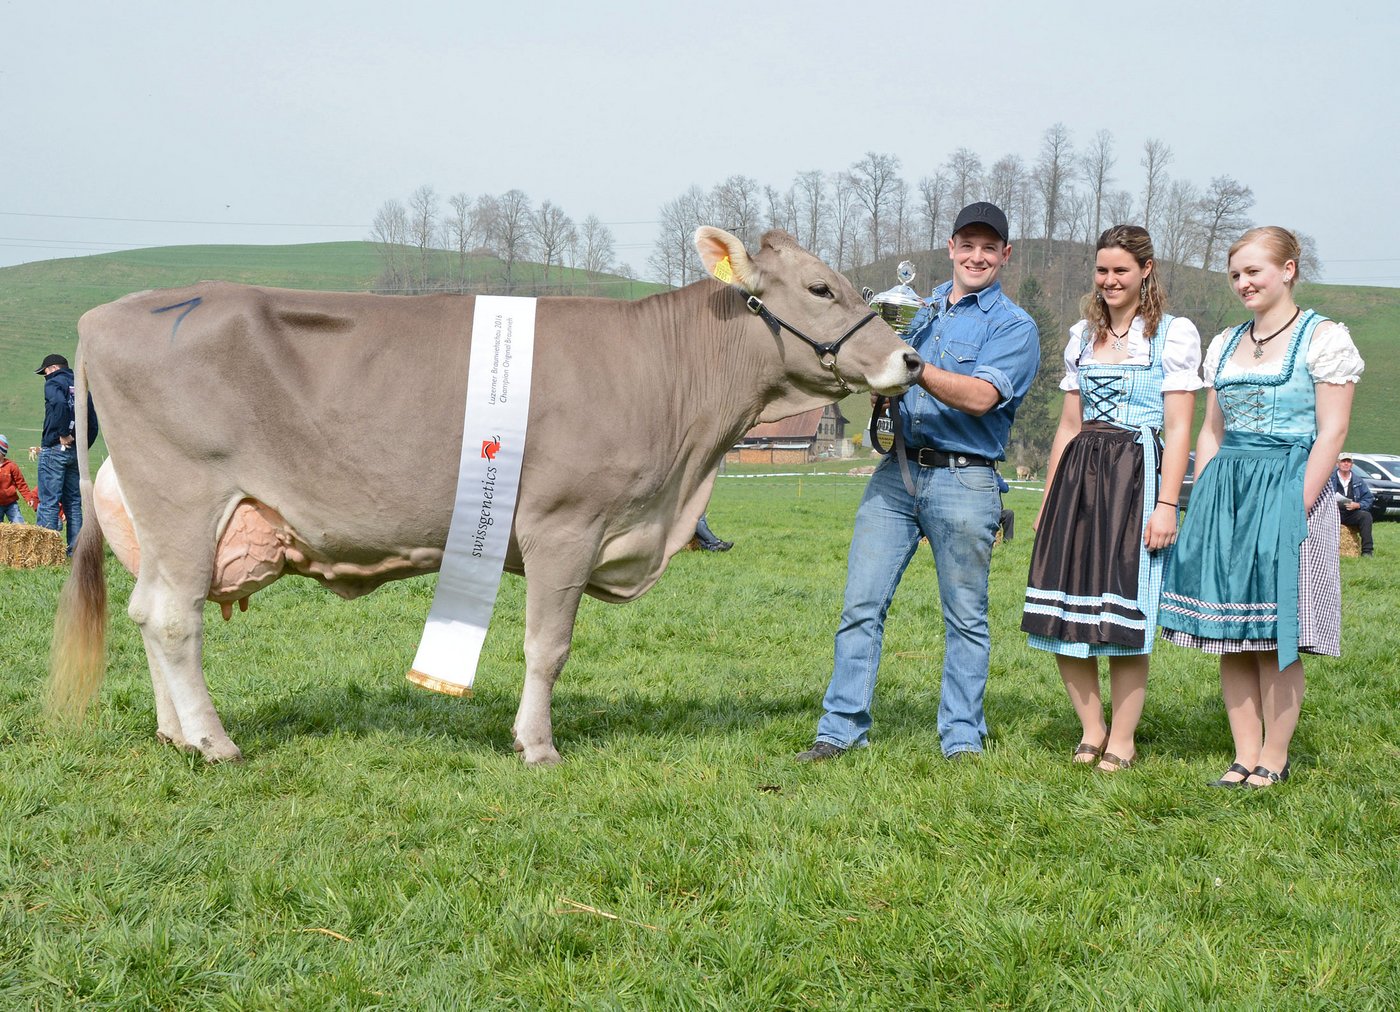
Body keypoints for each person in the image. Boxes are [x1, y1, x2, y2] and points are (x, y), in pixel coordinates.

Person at [796, 202, 1040, 762]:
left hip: (965, 478)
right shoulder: (920, 310)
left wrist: (914, 367)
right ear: (951, 248)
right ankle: (838, 732)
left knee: (966, 618)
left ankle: (961, 739)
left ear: (1004, 255)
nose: (976, 255)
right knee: (861, 604)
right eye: (967, 244)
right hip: (896, 473)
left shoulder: (1013, 326)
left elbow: (982, 397)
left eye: (989, 247)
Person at [1160, 227, 1363, 788]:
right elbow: (1212, 430)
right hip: (1228, 489)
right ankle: (1243, 752)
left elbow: (1333, 430)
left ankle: (1275, 755)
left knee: (1279, 630)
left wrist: (1295, 506)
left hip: (1291, 485)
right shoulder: (1224, 342)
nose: (1243, 283)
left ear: (1289, 269)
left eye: (1254, 271)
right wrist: (1202, 494)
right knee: (1232, 629)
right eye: (1235, 275)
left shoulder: (1323, 338)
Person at [1021, 225, 1201, 772]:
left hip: (1136, 474)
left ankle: (1122, 738)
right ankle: (1091, 728)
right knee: (1062, 611)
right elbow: (1068, 425)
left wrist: (1167, 504)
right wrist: (1049, 496)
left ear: (1146, 270)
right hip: (1079, 478)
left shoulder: (1171, 334)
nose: (1110, 280)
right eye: (1102, 270)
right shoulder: (1081, 335)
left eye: (1121, 269)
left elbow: (1178, 427)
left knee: (1128, 615)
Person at [36, 353, 98, 553]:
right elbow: (93, 421)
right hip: (75, 453)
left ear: (53, 368)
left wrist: (63, 433)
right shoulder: (80, 385)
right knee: (73, 502)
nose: (45, 376)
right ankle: (76, 551)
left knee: (49, 500)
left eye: (45, 372)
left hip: (55, 447)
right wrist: (81, 446)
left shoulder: (54, 383)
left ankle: (47, 552)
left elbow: (60, 404)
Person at [1329, 454, 1374, 556]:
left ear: (1352, 464)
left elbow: (1369, 498)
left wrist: (1358, 505)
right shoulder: (1329, 479)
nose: (1346, 464)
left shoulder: (1359, 480)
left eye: (1348, 461)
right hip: (1332, 512)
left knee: (1366, 516)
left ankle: (1367, 551)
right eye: (1343, 461)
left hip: (1351, 513)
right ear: (1337, 463)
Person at [0, 435, 39, 523]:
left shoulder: (11, 466)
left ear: (2, 452)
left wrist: (29, 498)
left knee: (19, 525)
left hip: (11, 504)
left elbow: (21, 484)